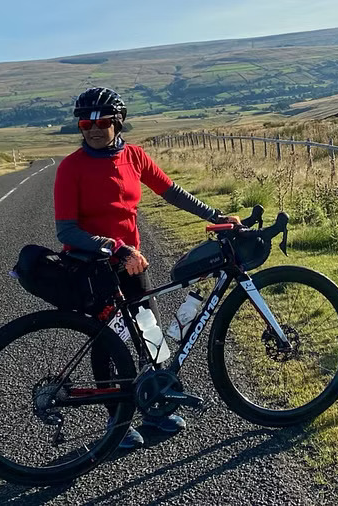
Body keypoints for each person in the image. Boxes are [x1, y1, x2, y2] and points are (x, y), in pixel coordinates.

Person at [53, 86, 240, 449]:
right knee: (110, 341)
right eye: (84, 123)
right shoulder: (70, 168)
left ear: (118, 122)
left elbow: (171, 191)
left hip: (132, 261)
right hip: (96, 265)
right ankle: (116, 422)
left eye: (102, 121)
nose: (93, 129)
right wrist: (115, 248)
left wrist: (216, 216)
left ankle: (155, 406)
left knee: (150, 333)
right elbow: (67, 229)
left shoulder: (134, 157)